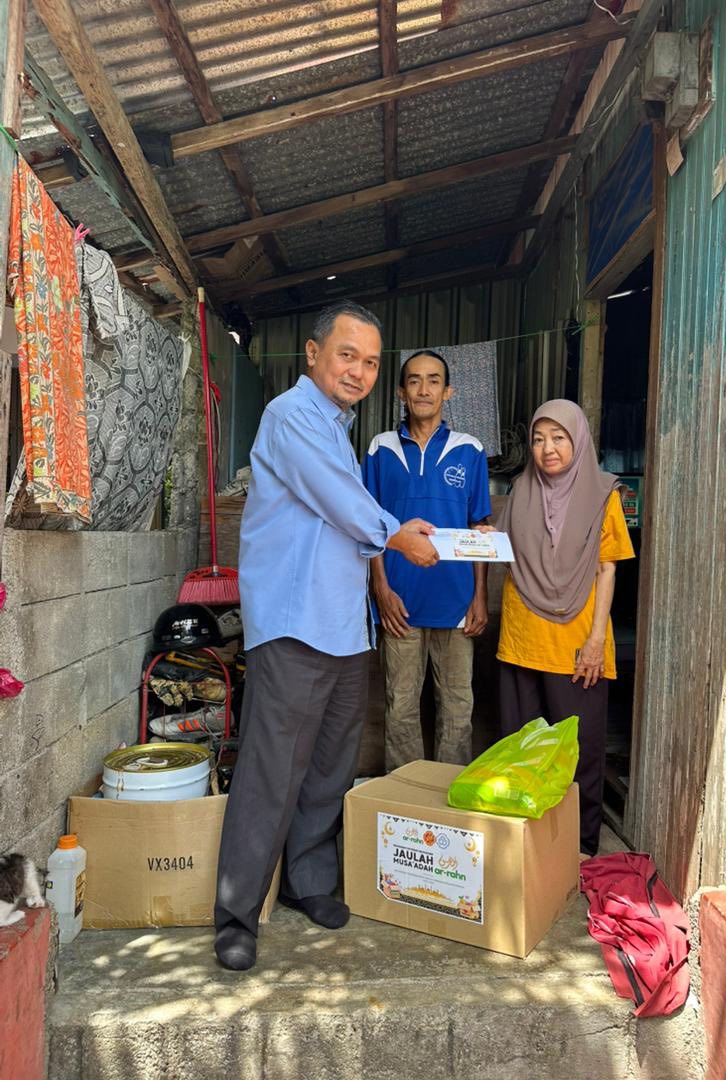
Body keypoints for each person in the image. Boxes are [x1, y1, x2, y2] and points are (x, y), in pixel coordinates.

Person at [214, 301, 439, 972]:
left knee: (329, 766)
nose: (359, 371)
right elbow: (340, 502)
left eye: (370, 362)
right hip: (294, 621)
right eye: (347, 355)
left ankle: (307, 880)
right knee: (271, 767)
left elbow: (345, 511)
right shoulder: (291, 416)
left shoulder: (338, 430)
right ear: (313, 354)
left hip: (343, 626)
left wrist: (400, 536)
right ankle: (236, 912)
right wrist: (397, 534)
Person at [496, 399, 634, 857]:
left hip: (577, 641)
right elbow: (504, 552)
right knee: (521, 748)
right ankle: (523, 845)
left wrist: (596, 641)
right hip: (522, 637)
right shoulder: (521, 489)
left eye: (558, 438)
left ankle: (578, 846)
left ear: (578, 440)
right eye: (538, 439)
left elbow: (607, 569)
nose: (547, 448)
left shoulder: (603, 494)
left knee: (578, 749)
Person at [362, 350, 491, 771]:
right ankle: (404, 798)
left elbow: (478, 526)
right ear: (401, 392)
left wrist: (479, 597)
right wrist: (381, 589)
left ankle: (449, 798)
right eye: (414, 380)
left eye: (433, 380)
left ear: (447, 391)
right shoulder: (380, 448)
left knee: (457, 708)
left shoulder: (469, 450)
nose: (423, 389)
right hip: (400, 604)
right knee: (400, 708)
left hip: (456, 604)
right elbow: (368, 526)